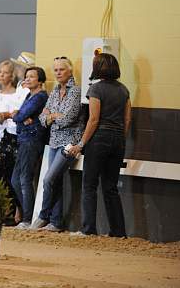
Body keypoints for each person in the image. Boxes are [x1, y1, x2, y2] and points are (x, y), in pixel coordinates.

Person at [68, 53, 130, 238]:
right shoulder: (124, 90)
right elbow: (127, 119)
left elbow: (94, 119)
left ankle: (89, 230)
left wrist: (81, 144)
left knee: (89, 185)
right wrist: (120, 138)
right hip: (118, 139)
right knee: (110, 187)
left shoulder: (96, 89)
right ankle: (118, 231)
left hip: (99, 139)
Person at [31, 57, 82, 232]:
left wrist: (51, 116)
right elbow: (42, 118)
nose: (58, 73)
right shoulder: (54, 92)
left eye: (61, 69)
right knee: (55, 180)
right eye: (56, 70)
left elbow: (68, 119)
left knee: (49, 179)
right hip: (53, 141)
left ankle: (43, 215)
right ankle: (56, 222)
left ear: (70, 71)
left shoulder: (75, 91)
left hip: (69, 143)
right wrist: (52, 116)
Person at [10, 67, 49, 228]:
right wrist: (20, 117)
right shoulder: (29, 95)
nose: (27, 79)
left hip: (31, 140)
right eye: (26, 76)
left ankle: (28, 218)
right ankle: (29, 214)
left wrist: (19, 116)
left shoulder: (40, 97)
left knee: (24, 179)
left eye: (32, 77)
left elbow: (18, 115)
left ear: (40, 80)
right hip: (24, 139)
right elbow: (20, 115)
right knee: (15, 180)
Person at [0, 60, 27, 221]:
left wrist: (6, 116)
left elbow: (15, 114)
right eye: (0, 72)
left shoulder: (16, 94)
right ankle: (1, 209)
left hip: (11, 136)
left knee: (10, 176)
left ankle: (16, 209)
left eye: (5, 72)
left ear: (11, 76)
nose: (2, 75)